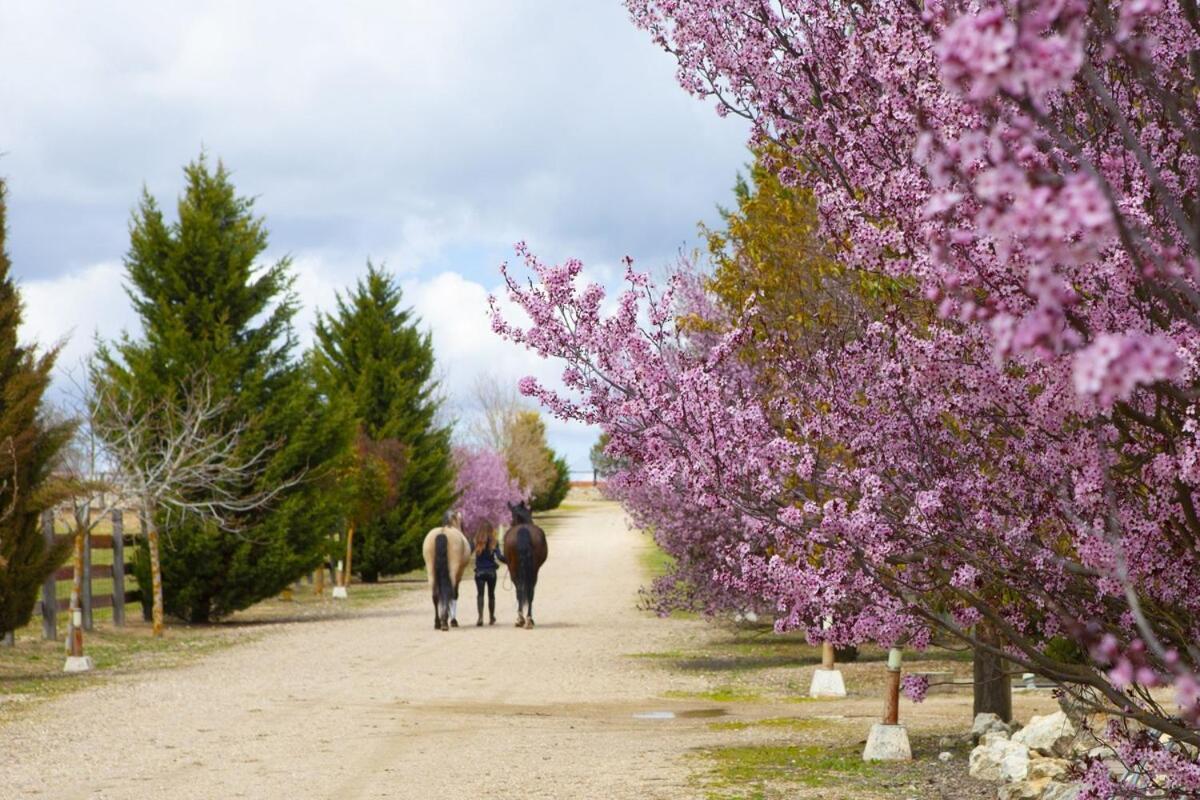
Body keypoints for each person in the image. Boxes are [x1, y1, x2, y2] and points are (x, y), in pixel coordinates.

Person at [473, 528, 506, 626]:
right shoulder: (494, 542)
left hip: (479, 573)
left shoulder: (476, 541)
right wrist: (509, 561)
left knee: (480, 595)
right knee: (491, 595)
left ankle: (480, 617)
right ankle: (491, 617)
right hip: (491, 573)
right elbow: (500, 557)